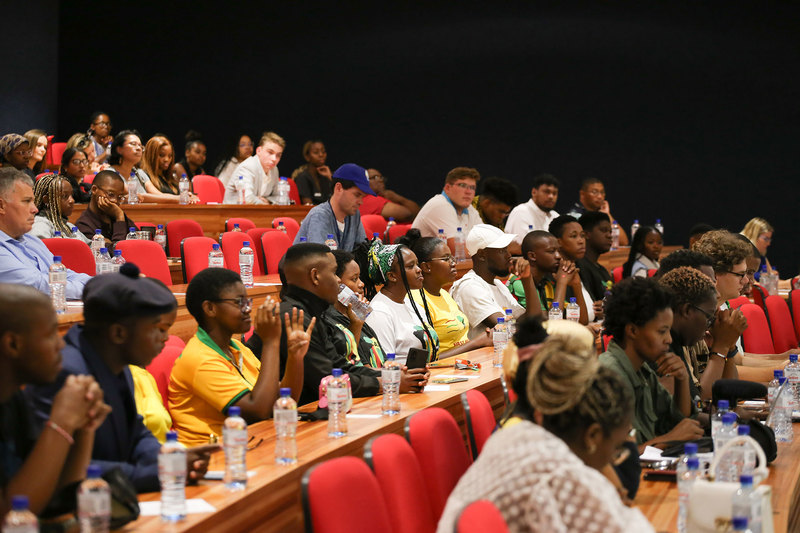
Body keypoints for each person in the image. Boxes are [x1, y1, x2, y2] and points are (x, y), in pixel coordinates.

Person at [438, 331, 655, 533]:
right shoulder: (559, 473)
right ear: (592, 436)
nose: (612, 460)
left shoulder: (520, 433)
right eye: (617, 451)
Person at [25, 265, 213, 492]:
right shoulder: (64, 374)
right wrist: (162, 471)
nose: (166, 339)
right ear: (118, 333)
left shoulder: (116, 358)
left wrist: (165, 457)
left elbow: (135, 429)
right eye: (160, 329)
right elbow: (63, 468)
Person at [250, 243, 428, 405]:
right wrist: (390, 382)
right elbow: (325, 379)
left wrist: (395, 376)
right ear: (315, 276)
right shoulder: (293, 317)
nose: (338, 281)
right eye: (334, 273)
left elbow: (340, 366)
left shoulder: (313, 313)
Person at [0, 284, 110, 517]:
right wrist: (61, 422)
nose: (61, 345)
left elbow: (57, 498)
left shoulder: (13, 398)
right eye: (51, 335)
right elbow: (13, 516)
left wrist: (83, 427)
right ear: (13, 344)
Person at [169, 268, 313, 446]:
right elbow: (258, 411)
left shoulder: (237, 348)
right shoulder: (199, 359)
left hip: (249, 443)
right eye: (239, 303)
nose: (248, 309)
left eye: (248, 302)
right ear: (210, 308)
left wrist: (295, 358)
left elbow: (283, 401)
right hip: (211, 458)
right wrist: (270, 342)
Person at [599, 277, 703, 449]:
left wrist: (682, 379)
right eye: (662, 331)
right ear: (632, 330)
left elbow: (680, 423)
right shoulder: (609, 377)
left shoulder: (642, 370)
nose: (669, 339)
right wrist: (669, 439)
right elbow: (616, 458)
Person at [0, 168, 90, 298]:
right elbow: (40, 286)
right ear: (1, 206)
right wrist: (95, 289)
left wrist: (101, 283)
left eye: (33, 201)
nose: (35, 209)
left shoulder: (32, 241)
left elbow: (65, 274)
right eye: (26, 201)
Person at [659, 267, 742, 403]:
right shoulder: (667, 344)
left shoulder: (686, 338)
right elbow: (702, 403)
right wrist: (721, 346)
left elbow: (727, 396)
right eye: (708, 316)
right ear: (686, 310)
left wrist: (730, 345)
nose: (709, 325)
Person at [403, 232, 493, 353]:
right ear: (426, 267)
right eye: (446, 259)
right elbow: (428, 359)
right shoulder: (415, 300)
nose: (453, 263)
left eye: (452, 257)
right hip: (441, 369)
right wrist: (477, 342)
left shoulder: (444, 294)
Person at [450, 225, 543, 339]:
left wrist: (527, 278)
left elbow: (534, 319)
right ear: (482, 255)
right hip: (480, 355)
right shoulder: (469, 286)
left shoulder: (498, 284)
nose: (509, 255)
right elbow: (506, 329)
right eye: (502, 250)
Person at [361, 239, 441, 364]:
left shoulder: (411, 304)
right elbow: (385, 365)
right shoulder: (379, 312)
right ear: (392, 276)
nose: (419, 269)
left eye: (417, 264)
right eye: (410, 266)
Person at [324, 250, 388, 367]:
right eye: (354, 279)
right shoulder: (331, 322)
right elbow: (354, 367)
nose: (361, 284)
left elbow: (385, 362)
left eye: (360, 278)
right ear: (337, 282)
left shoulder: (361, 319)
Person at [507, 230, 584, 321]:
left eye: (558, 251)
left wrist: (576, 285)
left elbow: (582, 321)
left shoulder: (547, 283)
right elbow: (546, 324)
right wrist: (562, 282)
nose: (558, 256)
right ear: (532, 256)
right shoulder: (519, 281)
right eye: (551, 251)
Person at [293, 163, 372, 251]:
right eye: (357, 195)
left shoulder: (354, 215)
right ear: (338, 188)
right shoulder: (319, 216)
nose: (361, 202)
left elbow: (363, 251)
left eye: (363, 197)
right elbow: (322, 261)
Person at [411, 167, 482, 245]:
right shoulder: (440, 205)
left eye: (472, 187)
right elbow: (456, 249)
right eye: (462, 185)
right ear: (448, 188)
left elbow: (487, 239)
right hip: (422, 257)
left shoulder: (470, 209)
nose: (469, 192)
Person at [548, 215, 596, 322]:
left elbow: (583, 321)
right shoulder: (552, 274)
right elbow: (554, 322)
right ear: (558, 242)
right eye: (574, 236)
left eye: (582, 235)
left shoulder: (583, 268)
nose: (581, 241)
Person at [75, 169, 137, 249]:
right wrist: (119, 218)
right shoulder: (83, 225)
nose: (115, 201)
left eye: (119, 197)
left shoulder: (115, 213)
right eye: (111, 194)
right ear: (94, 189)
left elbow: (138, 242)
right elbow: (116, 253)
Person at [223, 131, 285, 204]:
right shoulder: (247, 166)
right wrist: (267, 205)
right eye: (270, 152)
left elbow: (279, 197)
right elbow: (248, 199)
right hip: (235, 213)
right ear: (258, 151)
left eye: (278, 155)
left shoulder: (274, 169)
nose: (274, 159)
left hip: (258, 213)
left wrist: (268, 201)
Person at [566, 177, 629, 246]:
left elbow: (623, 242)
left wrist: (607, 214)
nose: (600, 196)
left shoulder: (601, 215)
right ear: (582, 194)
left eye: (602, 192)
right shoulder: (574, 216)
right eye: (594, 192)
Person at [31, 173, 90, 243]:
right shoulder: (40, 226)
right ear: (46, 200)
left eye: (72, 195)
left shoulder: (68, 226)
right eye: (65, 196)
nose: (72, 200)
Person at [505, 173, 560, 246]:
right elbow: (520, 247)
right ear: (534, 192)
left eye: (554, 193)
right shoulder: (521, 212)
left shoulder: (555, 216)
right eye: (547, 192)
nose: (551, 196)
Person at [140, 135, 199, 203]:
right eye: (162, 155)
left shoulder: (171, 178)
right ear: (151, 155)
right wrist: (179, 198)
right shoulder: (143, 174)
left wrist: (189, 196)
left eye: (170, 156)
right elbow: (158, 196)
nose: (166, 159)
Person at [577, 211, 613, 302]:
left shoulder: (602, 270)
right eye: (604, 230)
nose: (609, 236)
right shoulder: (579, 266)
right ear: (586, 234)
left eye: (610, 232)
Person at [294, 140, 333, 205]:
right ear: (307, 157)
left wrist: (330, 177)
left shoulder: (327, 175)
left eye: (323, 151)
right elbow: (308, 207)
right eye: (316, 152)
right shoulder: (302, 178)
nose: (321, 155)